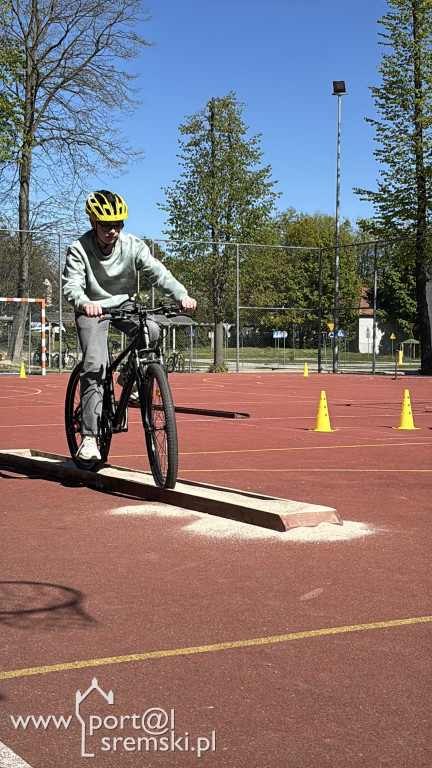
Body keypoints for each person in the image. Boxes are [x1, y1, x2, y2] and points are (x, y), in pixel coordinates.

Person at [62, 190, 196, 462]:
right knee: (95, 366)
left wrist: (181, 295)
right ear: (93, 223)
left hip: (124, 306)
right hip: (92, 310)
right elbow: (72, 285)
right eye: (107, 225)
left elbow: (158, 273)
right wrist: (85, 302)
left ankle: (128, 380)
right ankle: (89, 437)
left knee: (153, 330)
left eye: (118, 224)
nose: (113, 231)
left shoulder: (133, 246)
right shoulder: (79, 249)